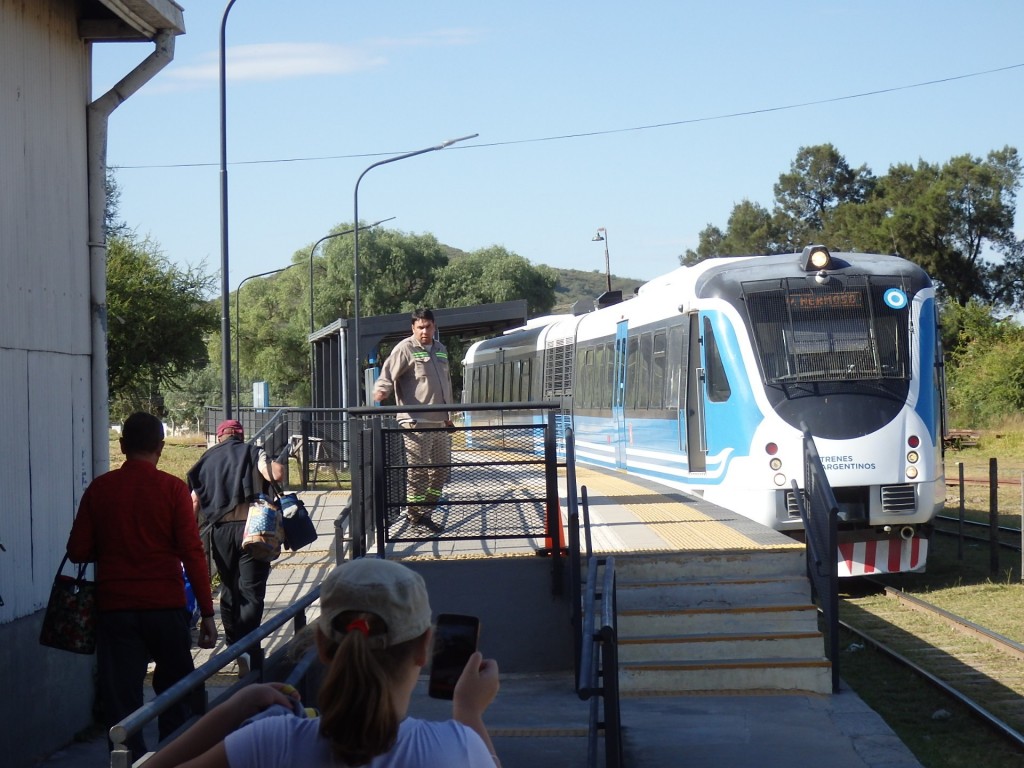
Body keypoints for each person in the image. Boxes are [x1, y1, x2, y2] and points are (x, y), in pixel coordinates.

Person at [146, 557, 501, 768]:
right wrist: (468, 712)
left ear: (322, 645)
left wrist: (234, 708)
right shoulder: (457, 749)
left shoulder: (270, 741)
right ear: (424, 648)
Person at [66, 412, 218, 760]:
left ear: (122, 446)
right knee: (176, 691)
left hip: (116, 607)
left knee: (122, 700)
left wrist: (111, 546)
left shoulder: (101, 489)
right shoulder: (173, 489)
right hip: (166, 606)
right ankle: (174, 758)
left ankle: (130, 762)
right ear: (160, 448)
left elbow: (77, 550)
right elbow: (192, 553)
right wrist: (208, 612)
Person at [186, 419, 285, 673]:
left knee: (229, 588)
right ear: (241, 435)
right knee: (250, 591)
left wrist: (191, 534)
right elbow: (276, 475)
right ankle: (248, 650)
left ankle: (233, 645)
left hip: (220, 532)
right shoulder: (253, 452)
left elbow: (194, 500)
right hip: (254, 529)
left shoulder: (206, 460)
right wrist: (275, 462)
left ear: (220, 437)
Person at [373, 307, 455, 533]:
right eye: (420, 327)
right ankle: (415, 516)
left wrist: (449, 416)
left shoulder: (441, 349)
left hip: (440, 421)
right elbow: (387, 374)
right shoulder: (405, 348)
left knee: (441, 470)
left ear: (434, 326)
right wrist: (382, 390)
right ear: (413, 328)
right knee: (418, 471)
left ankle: (425, 512)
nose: (424, 331)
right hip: (416, 421)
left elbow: (446, 384)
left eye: (428, 326)